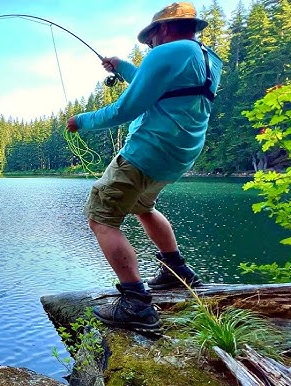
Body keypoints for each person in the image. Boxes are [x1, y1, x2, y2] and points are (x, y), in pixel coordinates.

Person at [66, 2, 223, 331]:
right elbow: (156, 87)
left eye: (151, 39)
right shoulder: (208, 60)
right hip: (178, 156)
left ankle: (136, 302)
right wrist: (122, 67)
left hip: (147, 151)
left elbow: (126, 108)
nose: (150, 45)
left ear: (163, 29)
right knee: (143, 207)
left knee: (101, 216)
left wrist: (81, 121)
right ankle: (178, 271)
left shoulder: (165, 53)